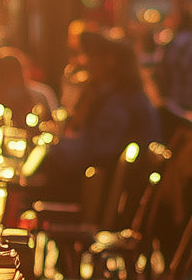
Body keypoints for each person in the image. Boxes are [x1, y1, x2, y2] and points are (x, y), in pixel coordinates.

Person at [37, 31, 160, 200]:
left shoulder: (119, 102)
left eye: (93, 57)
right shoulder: (124, 95)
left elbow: (99, 150)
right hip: (103, 180)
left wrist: (54, 149)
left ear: (110, 61)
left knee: (43, 175)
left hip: (104, 188)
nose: (87, 62)